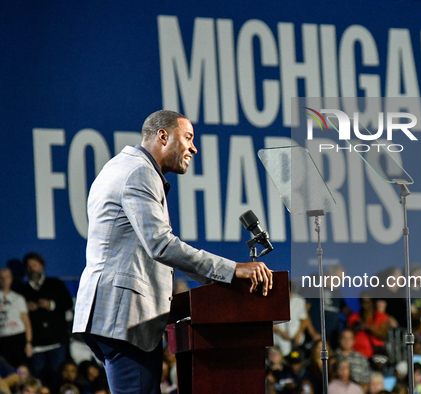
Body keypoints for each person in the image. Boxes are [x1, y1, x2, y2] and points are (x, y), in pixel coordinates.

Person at [72, 110, 273, 393]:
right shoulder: (139, 172)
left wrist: (213, 281)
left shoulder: (122, 166)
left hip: (111, 313)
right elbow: (162, 245)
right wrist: (232, 269)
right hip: (125, 316)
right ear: (163, 135)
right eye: (188, 137)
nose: (194, 147)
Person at [18, 253, 73, 386]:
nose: (32, 269)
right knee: (38, 380)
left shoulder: (55, 284)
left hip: (57, 341)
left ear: (42, 266)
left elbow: (68, 303)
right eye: (29, 266)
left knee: (57, 377)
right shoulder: (22, 290)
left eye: (35, 265)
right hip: (36, 344)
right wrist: (26, 308)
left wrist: (51, 304)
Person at [0, 268, 33, 369]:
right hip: (2, 339)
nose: (4, 280)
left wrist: (28, 343)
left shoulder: (18, 298)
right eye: (1, 278)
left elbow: (26, 322)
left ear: (11, 279)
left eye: (7, 277)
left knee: (21, 369)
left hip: (17, 339)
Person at [347, 293, 389, 359]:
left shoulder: (381, 317)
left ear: (373, 302)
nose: (365, 305)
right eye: (363, 302)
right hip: (356, 354)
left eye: (368, 302)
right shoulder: (354, 317)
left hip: (375, 355)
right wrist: (356, 328)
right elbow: (347, 333)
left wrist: (368, 327)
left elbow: (384, 334)